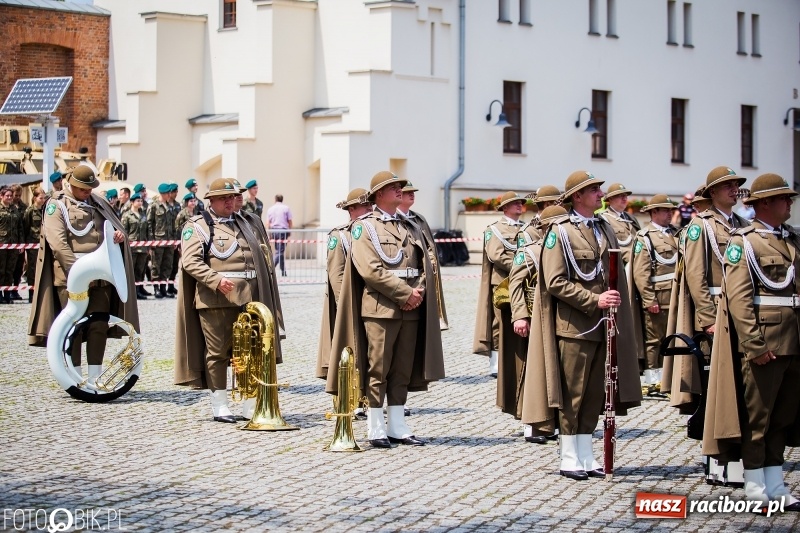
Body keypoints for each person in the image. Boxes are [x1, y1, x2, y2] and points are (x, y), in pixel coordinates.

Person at [522, 170, 641, 481]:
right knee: (573, 394)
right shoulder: (560, 232)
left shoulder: (603, 228)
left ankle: (586, 455)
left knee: (594, 395)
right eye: (594, 190)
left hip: (604, 325)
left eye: (599, 189)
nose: (601, 194)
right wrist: (593, 300)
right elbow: (554, 281)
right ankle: (568, 456)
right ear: (577, 196)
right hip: (574, 327)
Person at [326, 171, 444, 448]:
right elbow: (370, 270)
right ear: (379, 194)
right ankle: (375, 425)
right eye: (394, 187)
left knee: (402, 369)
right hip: (381, 307)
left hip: (411, 306)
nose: (401, 190)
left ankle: (397, 425)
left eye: (400, 186)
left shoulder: (410, 225)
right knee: (378, 368)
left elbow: (426, 264)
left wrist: (418, 291)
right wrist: (405, 293)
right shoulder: (364, 227)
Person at [703, 174, 800, 510]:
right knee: (758, 419)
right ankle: (755, 484)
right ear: (765, 203)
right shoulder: (744, 242)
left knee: (783, 418)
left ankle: (776, 483)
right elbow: (740, 300)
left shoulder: (791, 239)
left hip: (793, 342)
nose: (789, 203)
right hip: (766, 344)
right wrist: (754, 345)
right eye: (783, 198)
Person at [174, 178, 282, 422]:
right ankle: (220, 404)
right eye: (224, 198)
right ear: (211, 200)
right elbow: (190, 261)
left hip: (251, 298)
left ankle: (250, 404)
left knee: (252, 351)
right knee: (218, 352)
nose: (230, 202)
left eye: (232, 197)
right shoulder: (198, 226)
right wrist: (215, 280)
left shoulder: (246, 222)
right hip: (216, 300)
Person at [27, 163, 139, 382]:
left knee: (98, 324)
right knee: (74, 327)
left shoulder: (98, 202)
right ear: (71, 184)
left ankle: (95, 376)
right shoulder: (57, 205)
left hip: (101, 275)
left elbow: (112, 229)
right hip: (71, 277)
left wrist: (117, 236)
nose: (87, 192)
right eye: (83, 189)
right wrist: (80, 274)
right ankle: (75, 376)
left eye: (90, 188)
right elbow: (58, 243)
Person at [505, 205, 567, 443]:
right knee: (533, 371)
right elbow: (515, 283)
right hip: (535, 317)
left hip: (562, 318)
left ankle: (555, 422)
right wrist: (520, 315)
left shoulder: (566, 249)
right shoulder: (530, 251)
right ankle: (532, 425)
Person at [315, 187, 371, 382]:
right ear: (351, 210)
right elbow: (336, 274)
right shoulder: (340, 236)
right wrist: (346, 306)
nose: (370, 208)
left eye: (371, 204)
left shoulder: (374, 232)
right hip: (352, 301)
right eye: (365, 205)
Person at [473, 191, 525, 378]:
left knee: (522, 319)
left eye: (520, 202)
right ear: (505, 208)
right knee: (500, 322)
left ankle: (519, 359)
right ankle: (496, 363)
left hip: (523, 282)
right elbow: (496, 255)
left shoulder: (526, 228)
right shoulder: (494, 229)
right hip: (503, 282)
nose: (519, 205)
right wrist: (521, 267)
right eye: (515, 203)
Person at [631, 195, 678, 398]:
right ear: (654, 212)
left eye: (670, 210)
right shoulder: (645, 237)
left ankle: (668, 379)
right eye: (665, 210)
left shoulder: (674, 233)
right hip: (659, 297)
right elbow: (640, 273)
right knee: (654, 341)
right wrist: (649, 299)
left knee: (672, 339)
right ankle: (653, 382)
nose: (670, 214)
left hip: (675, 297)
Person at [397, 180, 449, 330]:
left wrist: (423, 282)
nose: (412, 194)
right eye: (407, 192)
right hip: (404, 282)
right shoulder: (392, 219)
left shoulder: (419, 219)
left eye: (413, 192)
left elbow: (429, 250)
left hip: (424, 279)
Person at [598, 183, 641, 266]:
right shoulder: (604, 218)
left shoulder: (631, 218)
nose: (624, 198)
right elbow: (606, 246)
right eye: (620, 196)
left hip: (637, 263)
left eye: (625, 196)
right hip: (619, 265)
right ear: (610, 198)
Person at [147, 183, 177, 300]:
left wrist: (174, 240)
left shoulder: (170, 206)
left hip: (169, 240)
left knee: (167, 265)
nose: (170, 195)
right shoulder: (154, 206)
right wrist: (151, 241)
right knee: (156, 265)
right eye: (168, 193)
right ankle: (156, 288)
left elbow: (173, 224)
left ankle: (163, 287)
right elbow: (149, 224)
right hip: (158, 240)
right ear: (162, 193)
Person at [122, 193, 151, 300]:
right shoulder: (127, 215)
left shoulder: (143, 214)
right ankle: (130, 292)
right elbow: (124, 232)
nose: (140, 202)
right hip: (132, 248)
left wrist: (148, 245)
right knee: (130, 271)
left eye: (141, 201)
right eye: (138, 201)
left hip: (142, 248)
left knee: (140, 271)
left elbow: (147, 230)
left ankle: (138, 291)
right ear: (132, 202)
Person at [22, 186, 46, 303]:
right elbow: (25, 227)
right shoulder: (30, 211)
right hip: (33, 243)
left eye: (44, 198)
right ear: (35, 198)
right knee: (32, 268)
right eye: (41, 198)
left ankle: (41, 293)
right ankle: (32, 293)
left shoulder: (45, 210)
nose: (43, 200)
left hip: (44, 242)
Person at [0, 186, 23, 304]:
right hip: (1, 245)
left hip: (13, 245)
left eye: (10, 196)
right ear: (1, 196)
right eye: (7, 196)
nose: (9, 198)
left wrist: (21, 243)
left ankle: (7, 295)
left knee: (10, 270)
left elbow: (20, 228)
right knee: (1, 270)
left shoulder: (14, 209)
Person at [266, 194, 292, 276]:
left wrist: (269, 233)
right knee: (280, 251)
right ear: (282, 199)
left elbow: (268, 223)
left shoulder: (270, 209)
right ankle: (270, 269)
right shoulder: (286, 208)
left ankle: (283, 271)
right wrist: (290, 230)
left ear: (275, 199)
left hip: (274, 230)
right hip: (283, 231)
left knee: (279, 251)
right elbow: (290, 221)